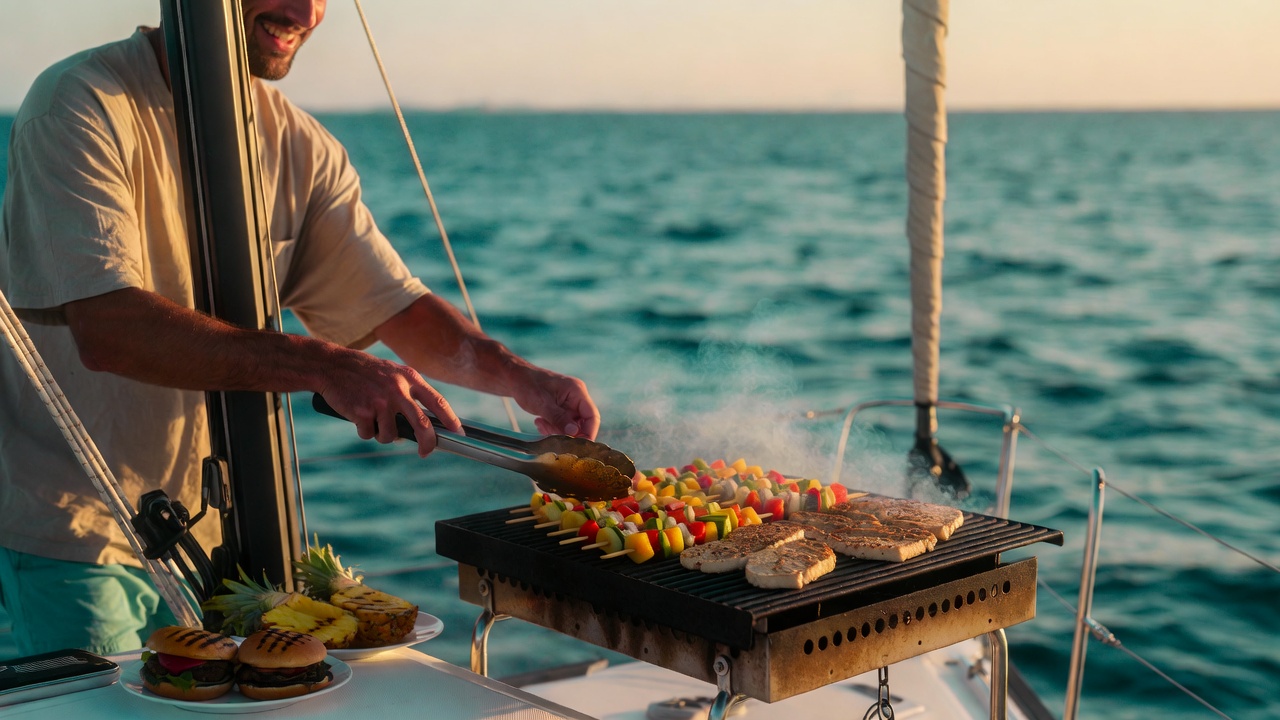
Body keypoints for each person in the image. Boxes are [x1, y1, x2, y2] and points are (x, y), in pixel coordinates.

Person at [0, 0, 599, 655]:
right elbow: (108, 329)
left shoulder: (300, 145)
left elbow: (393, 305)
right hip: (78, 535)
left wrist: (520, 378)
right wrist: (326, 366)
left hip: (222, 541)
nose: (305, 11)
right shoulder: (78, 103)